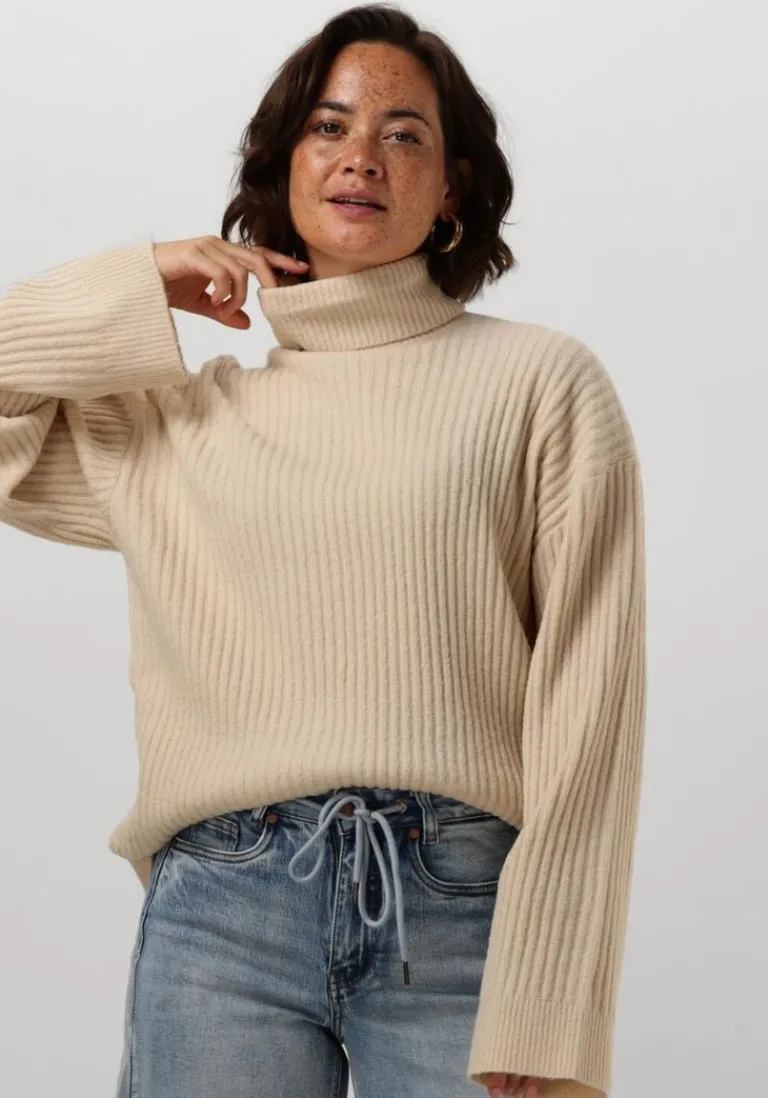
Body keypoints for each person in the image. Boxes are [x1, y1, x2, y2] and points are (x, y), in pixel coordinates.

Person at [0, 5, 646, 1098]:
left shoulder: (541, 385)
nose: (361, 157)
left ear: (453, 187)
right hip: (221, 917)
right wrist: (141, 276)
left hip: (462, 913)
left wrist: (551, 995)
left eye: (404, 133)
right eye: (329, 127)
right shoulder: (174, 424)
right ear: (282, 166)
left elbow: (592, 704)